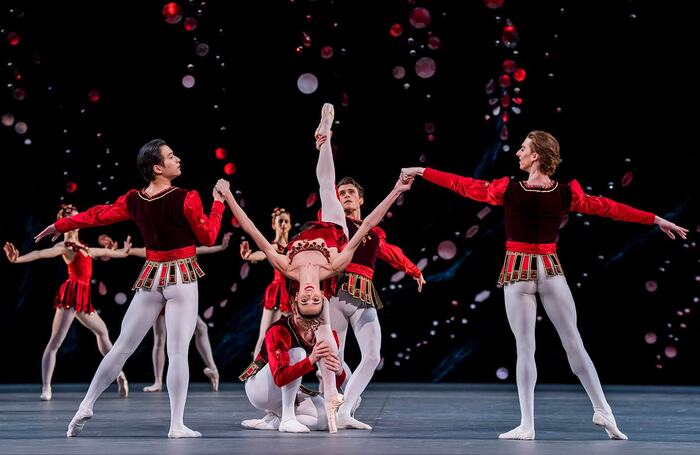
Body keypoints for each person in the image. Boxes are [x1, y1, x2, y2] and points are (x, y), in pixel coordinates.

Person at [400, 130, 688, 441]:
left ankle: (536, 423)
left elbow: (464, 185)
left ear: (536, 155)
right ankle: (595, 410)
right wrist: (657, 219)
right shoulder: (560, 193)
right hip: (548, 272)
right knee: (569, 342)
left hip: (522, 271)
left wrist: (421, 171)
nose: (517, 153)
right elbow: (610, 208)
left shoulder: (512, 189)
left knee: (530, 347)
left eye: (523, 148)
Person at [217, 103, 412, 432]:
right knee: (328, 187)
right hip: (331, 237)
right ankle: (326, 136)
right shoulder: (333, 266)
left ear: (297, 301)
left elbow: (252, 230)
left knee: (326, 188)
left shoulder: (288, 268)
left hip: (302, 237)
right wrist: (396, 190)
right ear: (318, 299)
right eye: (313, 300)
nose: (309, 295)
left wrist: (229, 198)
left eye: (306, 299)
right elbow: (366, 227)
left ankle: (324, 137)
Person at [34, 139, 226, 438]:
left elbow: (97, 215)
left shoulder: (134, 200)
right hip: (182, 277)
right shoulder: (187, 198)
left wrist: (60, 226)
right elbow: (209, 235)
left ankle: (86, 404)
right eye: (171, 156)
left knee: (122, 346)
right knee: (177, 353)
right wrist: (219, 202)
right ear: (157, 168)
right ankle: (176, 425)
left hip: (151, 276)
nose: (178, 159)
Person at [321, 175, 425, 430]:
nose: (344, 195)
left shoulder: (375, 232)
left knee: (371, 356)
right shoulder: (334, 224)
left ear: (361, 199)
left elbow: (391, 253)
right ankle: (335, 402)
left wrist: (413, 270)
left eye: (349, 192)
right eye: (340, 193)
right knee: (335, 358)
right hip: (335, 295)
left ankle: (346, 409)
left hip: (363, 294)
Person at [4, 205, 132, 402]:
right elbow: (40, 254)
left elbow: (106, 252)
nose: (76, 222)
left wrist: (124, 252)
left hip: (84, 296)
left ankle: (119, 375)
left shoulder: (85, 247)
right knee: (55, 341)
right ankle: (46, 387)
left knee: (103, 333)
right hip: (72, 294)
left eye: (77, 218)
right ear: (64, 223)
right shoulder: (64, 247)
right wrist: (18, 259)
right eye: (71, 219)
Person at [102, 232, 232, 392]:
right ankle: (158, 380)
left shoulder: (180, 248)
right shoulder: (155, 250)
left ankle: (213, 370)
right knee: (160, 338)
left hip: (177, 296)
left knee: (200, 328)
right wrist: (122, 249)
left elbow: (200, 249)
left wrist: (221, 246)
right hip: (159, 294)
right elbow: (134, 251)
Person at [238, 291, 346, 433]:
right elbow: (280, 378)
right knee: (298, 353)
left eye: (315, 303)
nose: (308, 324)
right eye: (304, 314)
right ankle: (288, 419)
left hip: (288, 393)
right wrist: (311, 359)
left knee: (329, 420)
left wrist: (339, 372)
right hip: (260, 388)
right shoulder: (279, 330)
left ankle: (275, 420)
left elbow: (333, 383)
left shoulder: (328, 336)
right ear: (295, 308)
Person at [240, 207, 293, 358]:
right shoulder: (274, 246)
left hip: (292, 292)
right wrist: (249, 257)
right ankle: (253, 374)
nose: (283, 224)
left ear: (289, 225)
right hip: (278, 291)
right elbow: (262, 254)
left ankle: (286, 374)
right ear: (274, 224)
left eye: (286, 221)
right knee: (265, 335)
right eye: (280, 221)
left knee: (292, 336)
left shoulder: (294, 245)